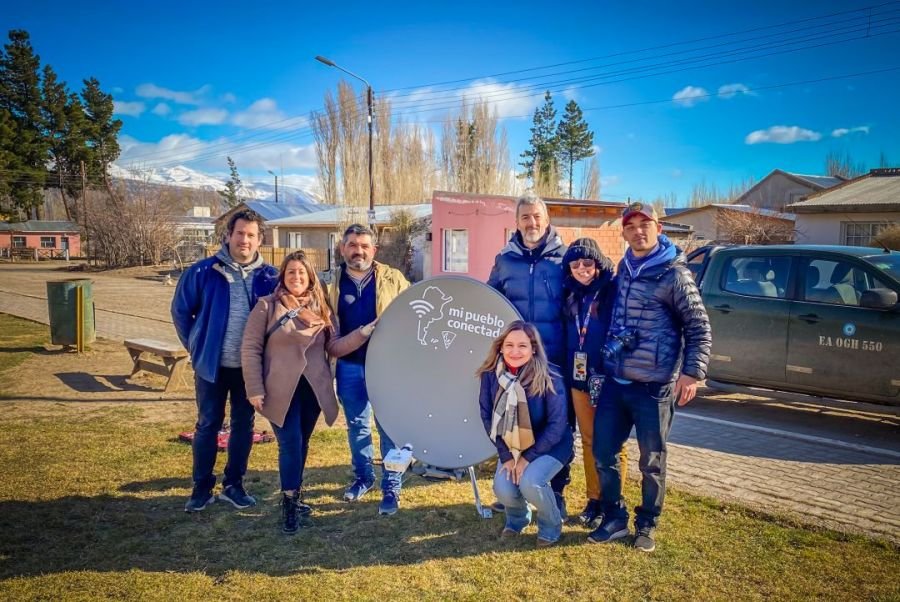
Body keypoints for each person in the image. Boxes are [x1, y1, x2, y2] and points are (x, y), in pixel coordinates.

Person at [588, 202, 711, 552]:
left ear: (659, 227)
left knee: (651, 462)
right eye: (631, 226)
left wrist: (692, 373)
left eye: (646, 224)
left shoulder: (674, 274)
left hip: (654, 387)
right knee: (603, 454)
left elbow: (699, 327)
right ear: (624, 232)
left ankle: (647, 524)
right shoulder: (622, 270)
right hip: (617, 381)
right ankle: (613, 518)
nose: (639, 231)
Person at [241, 250, 373, 533]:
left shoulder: (322, 308)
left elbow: (334, 346)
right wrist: (254, 388)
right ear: (283, 276)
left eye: (302, 272)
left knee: (301, 445)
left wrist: (362, 333)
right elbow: (250, 350)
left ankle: (296, 496)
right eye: (291, 272)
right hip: (280, 392)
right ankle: (289, 504)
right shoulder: (266, 306)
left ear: (310, 276)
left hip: (312, 391)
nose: (296, 277)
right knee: (289, 445)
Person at [171, 209, 278, 513]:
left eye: (251, 235)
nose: (245, 240)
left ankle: (234, 485)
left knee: (243, 426)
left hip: (250, 370)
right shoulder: (204, 272)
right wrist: (197, 346)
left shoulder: (270, 277)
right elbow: (180, 311)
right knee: (208, 425)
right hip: (212, 368)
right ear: (229, 235)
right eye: (240, 233)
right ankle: (201, 488)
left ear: (260, 240)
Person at [487, 192, 572, 515]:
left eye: (537, 216)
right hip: (516, 362)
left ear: (546, 220)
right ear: (517, 222)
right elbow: (490, 302)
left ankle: (557, 491)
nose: (532, 223)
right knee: (514, 420)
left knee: (559, 426)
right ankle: (511, 486)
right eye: (525, 217)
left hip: (554, 359)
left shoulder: (563, 258)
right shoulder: (505, 259)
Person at [328, 224, 410, 516]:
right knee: (358, 426)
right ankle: (363, 477)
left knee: (389, 427)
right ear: (342, 248)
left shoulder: (394, 278)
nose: (358, 250)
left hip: (385, 367)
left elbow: (412, 316)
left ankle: (392, 484)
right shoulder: (331, 283)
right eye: (352, 245)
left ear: (374, 250)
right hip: (349, 367)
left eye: (364, 245)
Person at [477, 321, 573, 547]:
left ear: (534, 349)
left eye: (522, 346)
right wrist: (507, 456)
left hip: (551, 445)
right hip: (512, 446)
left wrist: (527, 459)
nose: (515, 351)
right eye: (509, 345)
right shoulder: (491, 375)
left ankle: (550, 525)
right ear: (500, 347)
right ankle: (518, 519)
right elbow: (487, 417)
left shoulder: (550, 376)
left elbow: (557, 425)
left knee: (531, 482)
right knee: (503, 488)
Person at [561, 237, 627, 528]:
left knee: (611, 443)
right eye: (575, 264)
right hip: (578, 379)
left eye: (587, 262)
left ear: (598, 263)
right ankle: (594, 498)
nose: (582, 268)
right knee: (588, 441)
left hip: (608, 379)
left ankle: (612, 501)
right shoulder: (571, 294)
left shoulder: (613, 291)